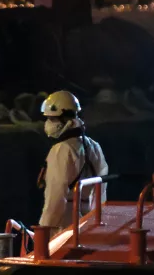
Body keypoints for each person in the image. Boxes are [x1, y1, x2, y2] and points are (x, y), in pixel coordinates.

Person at [37, 91, 109, 228]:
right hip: (87, 220)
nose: (48, 123)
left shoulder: (61, 149)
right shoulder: (93, 146)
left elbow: (56, 196)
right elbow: (101, 191)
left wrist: (45, 228)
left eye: (52, 119)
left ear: (66, 119)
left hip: (64, 223)